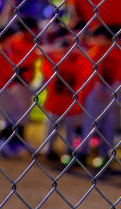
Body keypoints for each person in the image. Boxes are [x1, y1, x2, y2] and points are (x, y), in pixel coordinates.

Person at [80, 26, 121, 168]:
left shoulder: (119, 52)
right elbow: (89, 71)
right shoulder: (94, 51)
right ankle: (83, 153)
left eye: (103, 37)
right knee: (89, 122)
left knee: (109, 125)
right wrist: (97, 88)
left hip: (113, 92)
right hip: (95, 92)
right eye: (98, 37)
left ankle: (105, 154)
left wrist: (112, 89)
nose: (100, 40)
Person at [0, 18, 39, 157]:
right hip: (0, 89)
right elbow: (4, 73)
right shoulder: (0, 53)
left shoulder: (6, 50)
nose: (13, 39)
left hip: (5, 88)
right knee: (12, 117)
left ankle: (7, 143)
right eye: (10, 37)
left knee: (15, 116)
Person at [41, 32, 92, 163]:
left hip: (71, 106)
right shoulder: (54, 63)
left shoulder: (78, 63)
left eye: (67, 49)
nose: (64, 52)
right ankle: (49, 150)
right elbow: (40, 51)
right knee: (51, 131)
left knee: (70, 132)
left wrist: (74, 49)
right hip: (55, 104)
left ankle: (69, 152)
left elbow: (90, 61)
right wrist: (59, 48)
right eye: (62, 49)